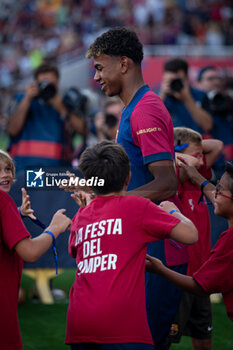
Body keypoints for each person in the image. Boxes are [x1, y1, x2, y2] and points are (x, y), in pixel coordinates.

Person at [86, 27, 189, 349]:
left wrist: (113, 204)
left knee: (143, 342)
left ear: (124, 63)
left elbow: (166, 183)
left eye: (100, 68)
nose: (96, 77)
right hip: (143, 242)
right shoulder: (135, 108)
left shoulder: (145, 109)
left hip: (155, 247)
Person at [65, 140, 198, 350]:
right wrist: (172, 210)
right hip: (122, 325)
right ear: (128, 177)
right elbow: (190, 235)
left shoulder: (82, 214)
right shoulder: (137, 206)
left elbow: (75, 250)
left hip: (79, 321)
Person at [0, 152, 72, 350]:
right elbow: (30, 252)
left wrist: (15, 213)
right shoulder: (3, 201)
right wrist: (54, 228)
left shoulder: (7, 205)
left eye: (7, 169)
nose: (5, 174)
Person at [146, 161, 233, 323]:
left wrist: (159, 268)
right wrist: (198, 178)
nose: (215, 193)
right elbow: (220, 198)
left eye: (219, 189)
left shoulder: (230, 241)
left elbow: (199, 286)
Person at [168, 128, 223, 349]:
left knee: (203, 334)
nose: (201, 160)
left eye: (201, 155)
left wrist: (192, 153)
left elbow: (217, 145)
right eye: (196, 155)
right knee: (164, 338)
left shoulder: (197, 179)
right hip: (177, 275)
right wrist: (176, 154)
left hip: (201, 275)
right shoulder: (171, 181)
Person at [7, 62, 86, 173]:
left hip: (58, 170)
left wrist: (61, 107)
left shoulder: (65, 102)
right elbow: (12, 130)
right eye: (42, 84)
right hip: (24, 167)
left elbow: (83, 130)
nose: (46, 87)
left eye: (50, 84)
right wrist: (27, 98)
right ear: (35, 83)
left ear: (57, 84)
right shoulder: (22, 99)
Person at [158, 57, 213, 134]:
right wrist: (162, 95)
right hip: (168, 141)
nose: (175, 83)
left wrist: (187, 98)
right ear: (164, 78)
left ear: (186, 78)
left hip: (194, 141)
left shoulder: (200, 95)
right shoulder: (157, 95)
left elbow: (207, 126)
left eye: (178, 80)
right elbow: (148, 123)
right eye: (171, 80)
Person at [197, 65, 233, 180]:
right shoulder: (194, 105)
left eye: (218, 79)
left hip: (228, 162)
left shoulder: (228, 101)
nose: (216, 82)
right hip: (208, 164)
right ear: (199, 83)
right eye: (210, 79)